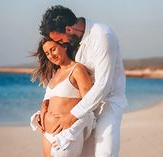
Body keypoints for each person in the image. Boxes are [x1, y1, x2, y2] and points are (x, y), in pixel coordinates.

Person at [38, 5, 128, 157]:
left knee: (104, 154)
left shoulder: (102, 36)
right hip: (84, 110)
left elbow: (103, 85)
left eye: (59, 40)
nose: (62, 44)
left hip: (107, 104)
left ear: (68, 29)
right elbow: (63, 75)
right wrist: (46, 102)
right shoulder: (73, 41)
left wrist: (72, 116)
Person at [30, 37, 96, 157]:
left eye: (53, 49)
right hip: (47, 134)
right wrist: (43, 107)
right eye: (47, 53)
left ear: (64, 46)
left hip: (67, 134)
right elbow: (51, 97)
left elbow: (90, 101)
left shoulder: (77, 69)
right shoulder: (56, 73)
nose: (51, 55)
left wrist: (70, 117)